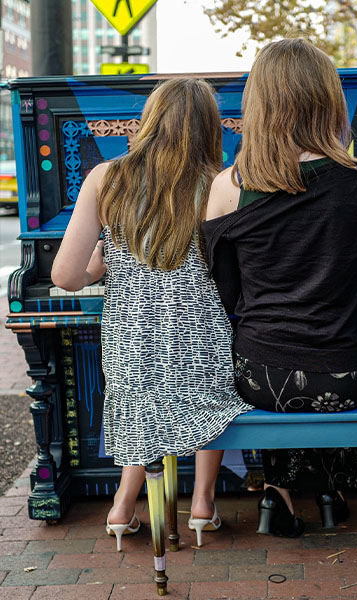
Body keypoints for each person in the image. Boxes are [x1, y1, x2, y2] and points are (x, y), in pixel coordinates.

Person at [203, 38, 357, 537]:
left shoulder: (229, 185)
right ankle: (333, 489)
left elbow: (221, 296)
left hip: (261, 377)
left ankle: (278, 494)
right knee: (324, 362)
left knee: (273, 362)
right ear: (327, 99)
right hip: (350, 375)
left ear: (259, 103)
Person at [51, 78, 251, 551]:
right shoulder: (219, 183)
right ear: (209, 128)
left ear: (149, 120)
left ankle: (122, 507)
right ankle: (203, 503)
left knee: (143, 406)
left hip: (132, 337)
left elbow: (65, 276)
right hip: (200, 333)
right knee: (209, 402)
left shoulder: (107, 177)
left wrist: (105, 258)